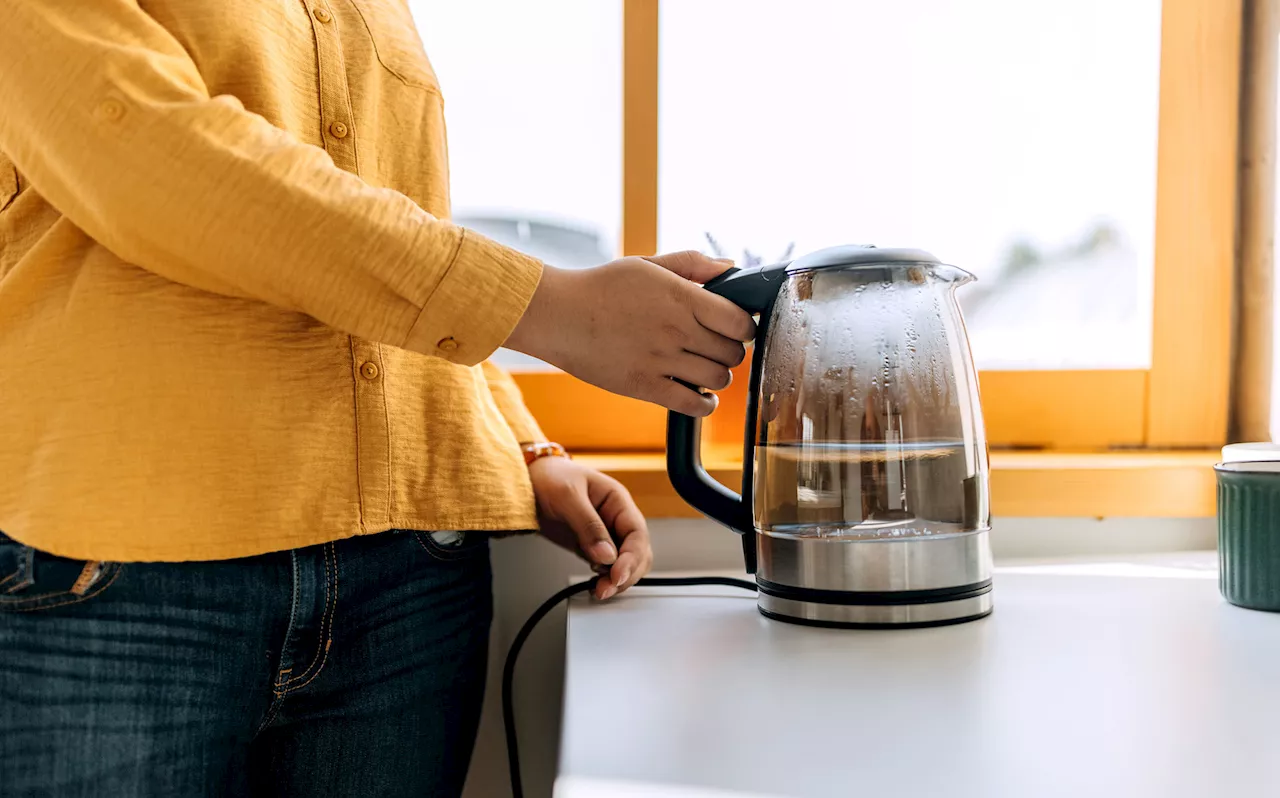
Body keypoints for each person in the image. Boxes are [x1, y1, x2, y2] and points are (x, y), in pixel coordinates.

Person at [0, 2, 755, 796]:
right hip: (125, 575)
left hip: (408, 577)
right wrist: (556, 310)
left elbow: (378, 232)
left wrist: (516, 441)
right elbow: (154, 157)